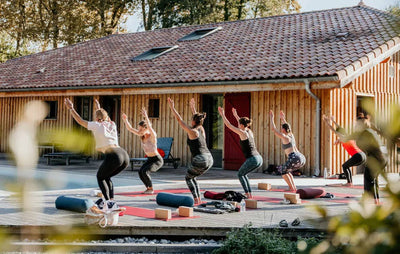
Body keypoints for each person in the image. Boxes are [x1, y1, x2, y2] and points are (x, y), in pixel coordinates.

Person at [64, 98, 129, 210]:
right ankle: (111, 202)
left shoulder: (96, 125)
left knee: (100, 177)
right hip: (124, 155)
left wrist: (71, 108)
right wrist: (98, 108)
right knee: (106, 176)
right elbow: (103, 117)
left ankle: (108, 203)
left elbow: (80, 121)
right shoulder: (112, 124)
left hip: (113, 155)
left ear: (97, 118)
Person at [167, 97, 213, 204]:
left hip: (201, 158)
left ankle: (196, 199)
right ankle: (198, 199)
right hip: (210, 158)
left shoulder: (193, 132)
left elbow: (180, 120)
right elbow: (198, 120)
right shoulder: (201, 129)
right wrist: (193, 109)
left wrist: (172, 108)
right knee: (193, 176)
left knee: (188, 178)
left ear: (193, 121)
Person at [218, 107, 263, 199]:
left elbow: (229, 125)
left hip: (252, 159)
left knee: (240, 174)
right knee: (244, 174)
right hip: (259, 158)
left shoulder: (242, 133)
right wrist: (235, 115)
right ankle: (249, 194)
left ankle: (247, 194)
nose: (238, 125)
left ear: (242, 125)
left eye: (239, 124)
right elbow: (242, 122)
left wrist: (222, 114)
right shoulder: (249, 131)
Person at [122, 107, 163, 194]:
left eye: (141, 129)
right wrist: (125, 120)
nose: (139, 131)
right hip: (149, 159)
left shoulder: (152, 136)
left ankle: (151, 189)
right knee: (140, 172)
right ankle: (148, 188)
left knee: (145, 171)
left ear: (146, 128)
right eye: (139, 129)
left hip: (157, 160)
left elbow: (150, 127)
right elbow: (130, 129)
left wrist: (146, 117)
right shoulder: (141, 135)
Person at [322, 115, 366, 186]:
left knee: (345, 166)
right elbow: (339, 128)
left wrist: (327, 123)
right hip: (362, 156)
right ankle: (350, 182)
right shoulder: (347, 136)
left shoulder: (343, 137)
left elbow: (334, 130)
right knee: (346, 166)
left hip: (358, 155)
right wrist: (333, 121)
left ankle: (349, 183)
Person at [351, 117, 387, 204]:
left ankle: (372, 200)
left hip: (377, 158)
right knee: (372, 179)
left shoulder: (366, 132)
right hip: (382, 157)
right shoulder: (369, 131)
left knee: (369, 178)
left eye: (357, 124)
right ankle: (374, 199)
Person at [269, 110, 305, 192]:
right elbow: (288, 127)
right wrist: (283, 119)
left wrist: (272, 118)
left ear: (283, 130)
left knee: (283, 171)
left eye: (281, 128)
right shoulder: (291, 135)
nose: (281, 129)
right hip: (301, 157)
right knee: (287, 171)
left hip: (294, 157)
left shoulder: (285, 137)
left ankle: (292, 188)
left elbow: (273, 129)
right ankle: (293, 188)